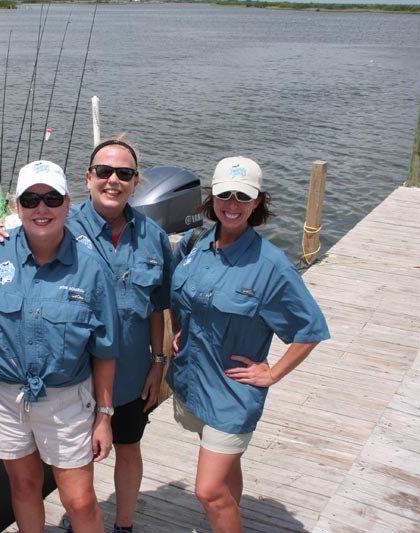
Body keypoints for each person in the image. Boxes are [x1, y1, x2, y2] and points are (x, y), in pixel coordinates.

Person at [0, 139, 173, 533]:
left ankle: (124, 524)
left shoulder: (153, 236)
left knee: (125, 449)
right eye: (103, 172)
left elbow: (159, 304)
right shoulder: (54, 227)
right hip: (71, 373)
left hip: (130, 368)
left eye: (124, 173)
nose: (113, 180)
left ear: (136, 182)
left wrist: (159, 362)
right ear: (88, 179)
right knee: (54, 484)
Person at [167, 156, 330, 533]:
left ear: (257, 203)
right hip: (192, 380)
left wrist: (272, 372)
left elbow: (311, 329)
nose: (232, 205)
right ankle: (231, 513)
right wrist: (180, 328)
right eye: (225, 195)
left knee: (208, 491)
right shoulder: (194, 243)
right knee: (226, 473)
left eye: (243, 196)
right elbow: (176, 294)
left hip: (232, 393)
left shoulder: (271, 265)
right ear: (212, 198)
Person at [0, 160, 119, 533]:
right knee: (23, 485)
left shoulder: (92, 269)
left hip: (67, 399)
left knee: (80, 500)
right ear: (16, 207)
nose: (41, 208)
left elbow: (105, 350)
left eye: (52, 198)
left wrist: (104, 416)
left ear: (68, 205)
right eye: (31, 199)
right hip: (4, 397)